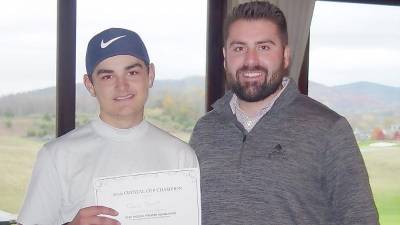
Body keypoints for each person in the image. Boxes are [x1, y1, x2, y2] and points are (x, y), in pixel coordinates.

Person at [189, 1, 379, 225]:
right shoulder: (205, 130)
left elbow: (360, 219)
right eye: (239, 48)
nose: (251, 61)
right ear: (224, 57)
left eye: (264, 47)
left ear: (286, 55)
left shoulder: (329, 130)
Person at [17, 28, 198, 225]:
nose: (122, 86)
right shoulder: (56, 156)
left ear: (150, 74)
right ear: (90, 85)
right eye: (107, 76)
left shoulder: (181, 156)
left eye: (133, 72)